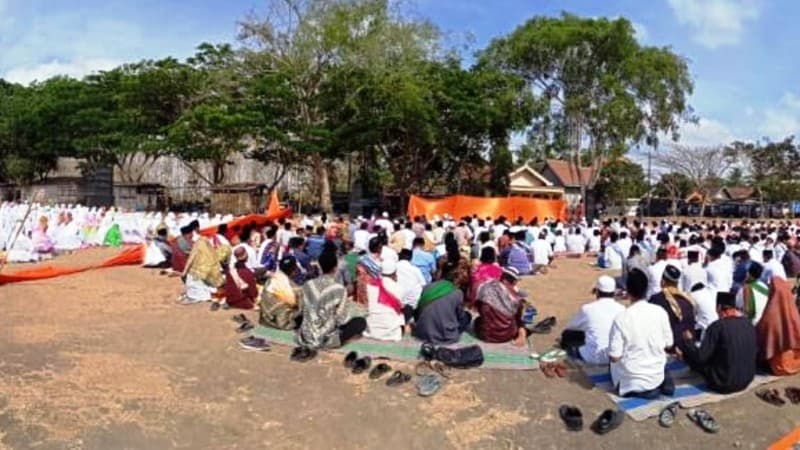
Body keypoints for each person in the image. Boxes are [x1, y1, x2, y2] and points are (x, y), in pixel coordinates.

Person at [608, 269, 675, 398]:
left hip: (631, 383)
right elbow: (669, 344)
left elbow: (614, 356)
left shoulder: (621, 318)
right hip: (655, 377)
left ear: (627, 291)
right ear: (646, 289)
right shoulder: (660, 311)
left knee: (612, 360)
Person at [676, 291, 756, 394]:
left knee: (692, 353)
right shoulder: (747, 323)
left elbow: (701, 357)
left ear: (719, 308)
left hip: (723, 382)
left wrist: (688, 341)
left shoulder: (717, 327)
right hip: (747, 379)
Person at [297, 242, 367, 349]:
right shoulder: (339, 289)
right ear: (335, 268)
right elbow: (341, 319)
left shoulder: (308, 284)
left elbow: (301, 309)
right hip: (325, 340)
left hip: (305, 336)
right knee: (360, 322)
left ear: (319, 266)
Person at [565, 275, 626, 365]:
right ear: (614, 292)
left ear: (597, 292)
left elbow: (572, 327)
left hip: (591, 357)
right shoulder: (622, 309)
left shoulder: (588, 309)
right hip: (615, 356)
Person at [413, 268, 472, 345]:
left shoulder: (428, 287)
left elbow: (418, 311)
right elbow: (460, 316)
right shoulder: (457, 293)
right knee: (467, 317)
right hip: (446, 336)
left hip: (422, 333)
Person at [756, 277, 800, 375]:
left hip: (778, 366)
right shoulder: (793, 310)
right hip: (796, 362)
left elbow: (761, 334)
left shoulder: (771, 313)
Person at [475, 267, 529, 346]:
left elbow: (479, 308)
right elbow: (518, 319)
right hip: (506, 336)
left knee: (477, 321)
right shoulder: (516, 299)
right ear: (513, 282)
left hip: (485, 335)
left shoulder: (486, 288)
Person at [649, 264, 697, 343]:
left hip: (669, 348)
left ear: (663, 281)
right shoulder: (687, 300)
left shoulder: (657, 300)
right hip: (688, 348)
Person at [364, 259, 406, 341]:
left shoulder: (370, 285)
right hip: (392, 333)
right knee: (407, 309)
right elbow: (401, 308)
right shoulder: (400, 288)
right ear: (394, 273)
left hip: (373, 331)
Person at [259, 256, 304, 329]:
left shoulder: (269, 281)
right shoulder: (295, 288)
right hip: (282, 323)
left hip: (265, 320)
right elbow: (301, 308)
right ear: (294, 270)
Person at [180, 233, 224, 304]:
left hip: (202, 278)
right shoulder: (209, 248)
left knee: (192, 279)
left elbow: (190, 260)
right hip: (213, 278)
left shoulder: (197, 247)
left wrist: (184, 272)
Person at [396, 249, 426, 323]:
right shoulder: (415, 269)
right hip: (412, 303)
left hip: (396, 301)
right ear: (410, 258)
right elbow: (424, 285)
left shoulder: (393, 267)